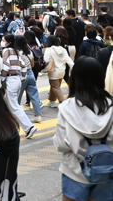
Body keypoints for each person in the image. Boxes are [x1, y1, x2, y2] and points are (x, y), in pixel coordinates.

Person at [54, 56, 113, 201]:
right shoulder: (111, 105)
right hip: (106, 171)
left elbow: (61, 145)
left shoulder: (67, 107)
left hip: (75, 170)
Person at [0, 34, 38, 139]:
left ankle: (29, 127)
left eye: (3, 40)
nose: (2, 41)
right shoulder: (16, 51)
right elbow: (24, 66)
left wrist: (2, 78)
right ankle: (11, 128)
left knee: (14, 106)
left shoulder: (6, 51)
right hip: (17, 79)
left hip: (10, 79)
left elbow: (6, 65)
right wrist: (23, 78)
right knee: (10, 106)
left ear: (8, 42)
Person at [44, 35, 74, 108]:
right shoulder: (63, 49)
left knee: (55, 87)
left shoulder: (49, 50)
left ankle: (63, 102)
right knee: (55, 86)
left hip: (53, 71)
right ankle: (51, 101)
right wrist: (73, 66)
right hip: (62, 71)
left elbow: (46, 60)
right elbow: (68, 59)